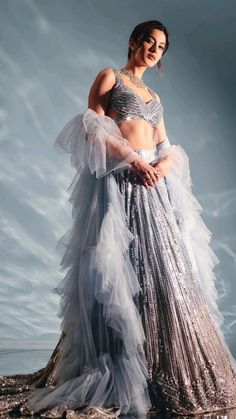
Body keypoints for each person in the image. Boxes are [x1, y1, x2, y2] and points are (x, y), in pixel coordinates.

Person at [1, 19, 236, 419]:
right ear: (133, 41)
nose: (155, 49)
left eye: (162, 47)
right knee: (121, 271)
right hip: (122, 181)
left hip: (152, 184)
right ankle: (120, 366)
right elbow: (90, 129)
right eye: (150, 41)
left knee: (164, 271)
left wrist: (161, 165)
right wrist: (130, 160)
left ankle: (168, 366)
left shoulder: (154, 95)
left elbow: (165, 143)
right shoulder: (110, 77)